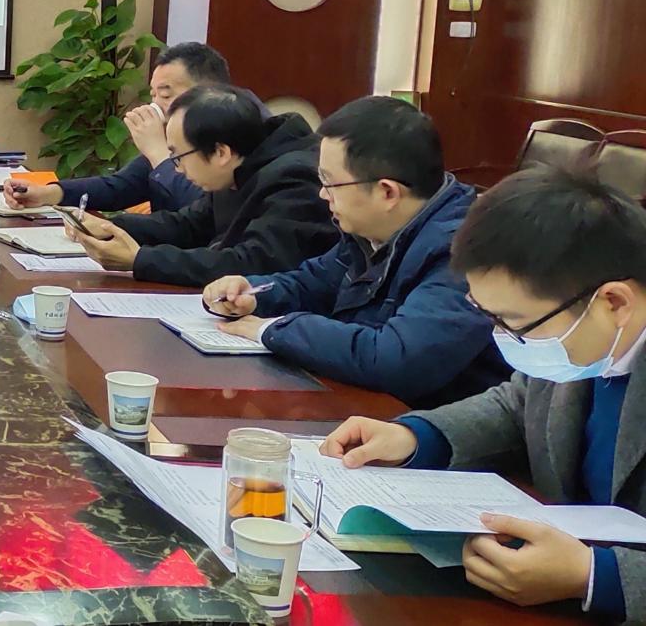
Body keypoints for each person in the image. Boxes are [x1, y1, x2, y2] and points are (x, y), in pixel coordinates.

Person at [323, 168, 646, 619]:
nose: (502, 338)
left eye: (514, 322)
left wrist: (595, 576)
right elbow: (517, 406)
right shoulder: (584, 338)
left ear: (613, 302)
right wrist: (418, 437)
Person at [201, 96, 505, 406]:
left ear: (387, 192)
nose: (322, 194)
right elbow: (314, 282)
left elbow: (397, 359)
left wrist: (273, 329)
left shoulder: (465, 252)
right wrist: (253, 294)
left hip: (426, 422)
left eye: (330, 183)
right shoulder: (372, 230)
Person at [67, 84, 337, 285]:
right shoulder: (241, 163)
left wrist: (140, 260)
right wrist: (110, 227)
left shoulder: (295, 179)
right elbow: (190, 225)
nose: (177, 168)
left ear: (220, 152)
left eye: (178, 157)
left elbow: (253, 264)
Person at [7, 42, 242, 214]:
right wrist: (49, 193)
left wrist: (158, 153)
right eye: (153, 95)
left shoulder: (231, 142)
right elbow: (119, 187)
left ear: (208, 93)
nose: (155, 105)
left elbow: (204, 212)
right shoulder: (172, 141)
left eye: (165, 95)